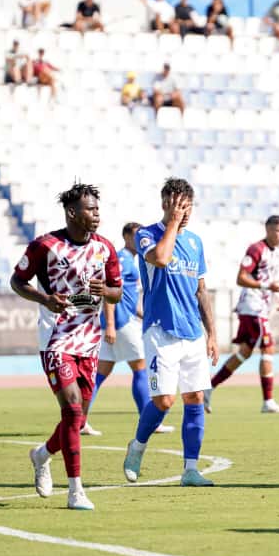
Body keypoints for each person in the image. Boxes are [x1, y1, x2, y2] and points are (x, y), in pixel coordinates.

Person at [11, 183, 123, 511]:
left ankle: (41, 454)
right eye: (91, 209)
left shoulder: (105, 248)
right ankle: (76, 490)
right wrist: (45, 299)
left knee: (76, 418)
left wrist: (106, 291)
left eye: (98, 209)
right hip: (56, 339)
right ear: (73, 212)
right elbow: (17, 281)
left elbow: (117, 291)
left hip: (89, 342)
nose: (97, 214)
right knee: (72, 409)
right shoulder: (45, 246)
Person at [123, 178, 218, 488]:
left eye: (188, 206)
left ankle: (190, 469)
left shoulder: (195, 242)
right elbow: (161, 259)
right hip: (160, 330)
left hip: (192, 332)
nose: (185, 211)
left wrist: (212, 333)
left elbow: (201, 290)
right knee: (164, 401)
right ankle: (137, 446)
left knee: (196, 397)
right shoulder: (146, 235)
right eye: (179, 205)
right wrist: (173, 223)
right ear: (165, 204)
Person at [82, 222, 172, 437]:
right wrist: (112, 325)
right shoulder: (122, 259)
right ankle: (150, 422)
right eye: (136, 236)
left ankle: (79, 421)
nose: (141, 239)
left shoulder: (130, 260)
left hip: (121, 321)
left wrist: (144, 316)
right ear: (126, 238)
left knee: (101, 374)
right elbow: (110, 292)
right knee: (140, 367)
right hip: (121, 323)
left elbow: (129, 298)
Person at [207, 215, 279, 414]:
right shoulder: (256, 249)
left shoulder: (277, 253)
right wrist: (267, 286)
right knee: (268, 349)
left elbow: (269, 280)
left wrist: (277, 299)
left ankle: (208, 388)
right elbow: (241, 278)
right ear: (268, 229)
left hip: (260, 307)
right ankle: (268, 401)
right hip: (252, 307)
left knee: (244, 352)